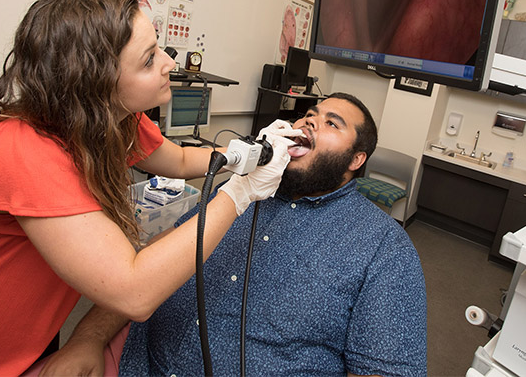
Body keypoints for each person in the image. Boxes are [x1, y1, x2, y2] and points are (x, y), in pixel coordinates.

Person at [0, 0, 298, 375]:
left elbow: (180, 159)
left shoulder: (116, 121)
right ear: (95, 83)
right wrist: (239, 192)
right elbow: (134, 291)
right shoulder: (22, 149)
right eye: (149, 60)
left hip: (16, 339)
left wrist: (250, 151)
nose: (169, 64)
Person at [37, 93, 428, 377]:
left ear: (356, 160)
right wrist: (86, 339)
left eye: (331, 123)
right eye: (309, 114)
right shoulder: (237, 193)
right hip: (139, 362)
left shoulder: (384, 248)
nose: (309, 122)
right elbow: (152, 264)